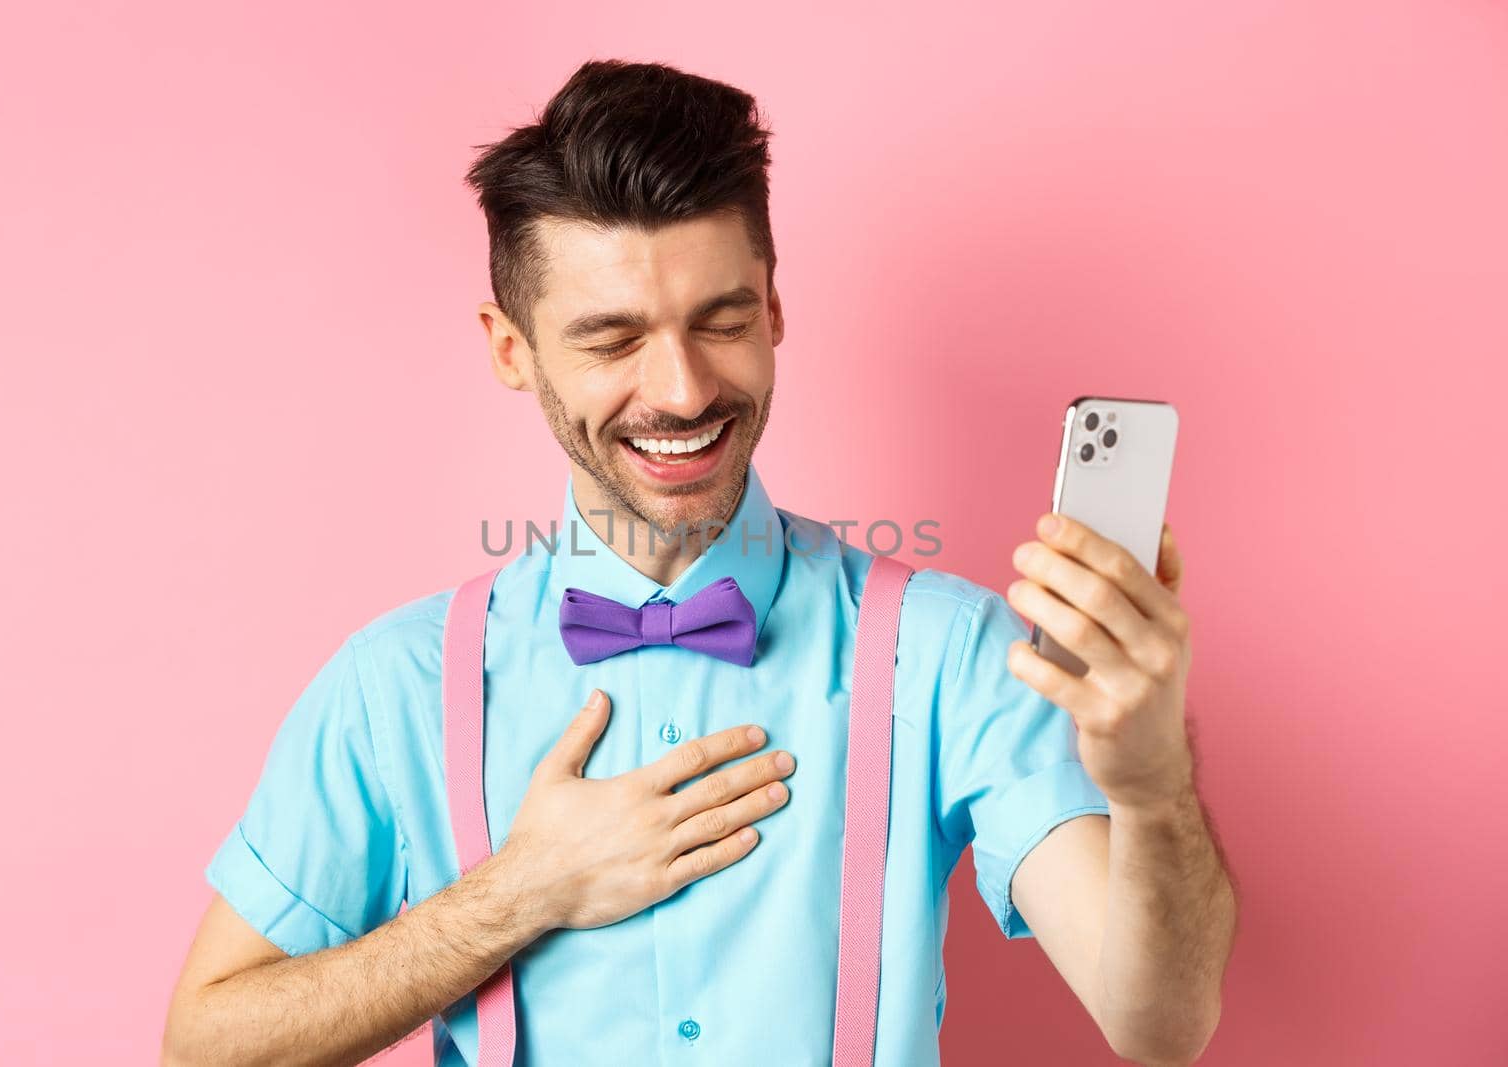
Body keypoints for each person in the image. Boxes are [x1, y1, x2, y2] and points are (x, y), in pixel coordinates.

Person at [163, 58, 1236, 1067]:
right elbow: (205, 1040)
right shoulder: (394, 682)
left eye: (720, 320)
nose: (679, 390)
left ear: (772, 309)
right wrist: (512, 896)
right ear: (510, 348)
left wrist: (1149, 787)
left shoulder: (947, 651)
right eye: (611, 338)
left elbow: (1160, 1024)